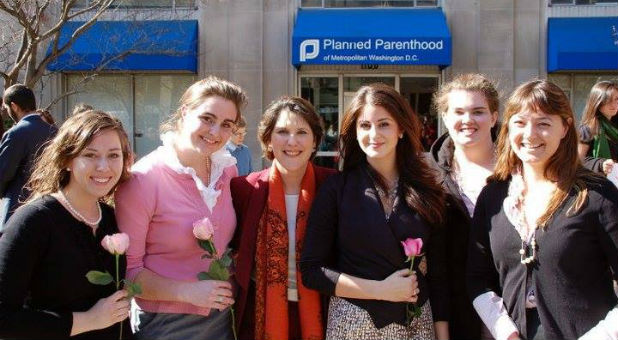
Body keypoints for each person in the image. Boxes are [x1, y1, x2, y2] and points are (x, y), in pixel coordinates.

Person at [467, 80, 618, 340]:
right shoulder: (494, 196)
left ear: (565, 127)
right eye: (520, 122)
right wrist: (505, 331)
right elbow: (478, 276)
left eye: (543, 124)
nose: (530, 134)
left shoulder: (596, 195)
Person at [300, 83, 449, 340]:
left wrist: (442, 335)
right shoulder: (337, 189)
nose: (374, 134)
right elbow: (312, 272)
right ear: (355, 132)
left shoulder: (427, 189)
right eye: (365, 125)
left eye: (384, 124)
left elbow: (438, 273)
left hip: (416, 326)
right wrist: (380, 290)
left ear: (401, 129)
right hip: (353, 324)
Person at [114, 76, 247, 340]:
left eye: (226, 125)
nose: (215, 132)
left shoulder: (227, 169)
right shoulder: (143, 179)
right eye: (207, 118)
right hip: (166, 322)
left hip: (222, 316)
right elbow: (127, 273)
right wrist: (187, 292)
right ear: (185, 112)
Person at [0, 110, 133, 339]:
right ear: (67, 160)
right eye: (90, 155)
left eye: (113, 155)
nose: (104, 167)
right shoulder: (34, 221)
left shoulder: (113, 218)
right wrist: (88, 320)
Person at [231, 96, 336, 340]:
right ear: (268, 139)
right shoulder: (244, 189)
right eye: (282, 132)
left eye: (301, 132)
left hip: (324, 311)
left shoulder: (334, 185)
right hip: (261, 316)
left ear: (315, 141)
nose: (292, 141)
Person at [429, 73, 499, 340]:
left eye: (478, 111)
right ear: (445, 117)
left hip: (512, 308)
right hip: (454, 312)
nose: (468, 120)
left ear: (493, 117)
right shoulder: (426, 172)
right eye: (458, 111)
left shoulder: (520, 166)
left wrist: (597, 165)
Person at [0, 84, 57, 232]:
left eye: (7, 108)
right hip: (51, 207)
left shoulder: (15, 133)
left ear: (14, 106)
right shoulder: (56, 132)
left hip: (17, 210)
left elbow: (4, 173)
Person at [577, 81, 618, 175]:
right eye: (608, 100)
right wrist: (601, 164)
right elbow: (578, 161)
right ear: (597, 101)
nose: (614, 105)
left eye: (616, 99)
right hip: (599, 184)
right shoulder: (588, 128)